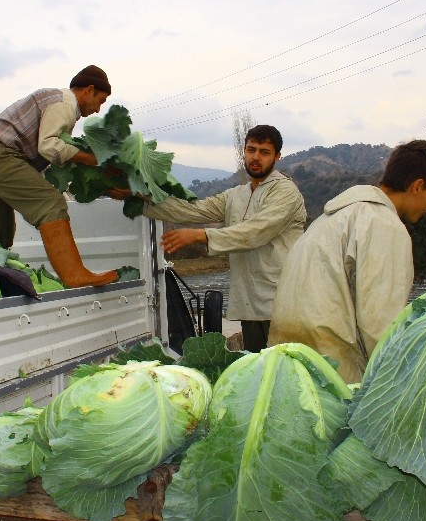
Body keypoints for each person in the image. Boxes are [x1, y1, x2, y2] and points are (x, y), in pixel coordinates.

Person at [268, 139, 426, 383]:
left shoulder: (328, 219)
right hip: (332, 371)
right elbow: (380, 325)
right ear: (417, 186)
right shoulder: (384, 224)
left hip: (283, 360)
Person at [113, 125, 306, 352]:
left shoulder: (285, 192)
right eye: (251, 149)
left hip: (284, 301)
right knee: (260, 371)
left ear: (277, 157)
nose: (255, 157)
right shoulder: (236, 195)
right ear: (243, 151)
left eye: (264, 152)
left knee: (289, 371)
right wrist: (139, 196)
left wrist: (201, 235)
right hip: (252, 303)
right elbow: (194, 210)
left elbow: (255, 232)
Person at [0, 65, 118, 288]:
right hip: (0, 156)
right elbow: (49, 147)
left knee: (3, 233)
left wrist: (102, 184)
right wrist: (92, 159)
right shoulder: (65, 105)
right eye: (101, 101)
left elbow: (50, 162)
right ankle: (75, 275)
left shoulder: (54, 100)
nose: (98, 110)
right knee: (51, 204)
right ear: (89, 90)